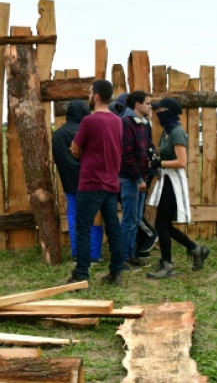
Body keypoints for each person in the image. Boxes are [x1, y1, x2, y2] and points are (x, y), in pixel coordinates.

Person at [144, 97, 210, 279]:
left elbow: (181, 161)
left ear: (170, 112)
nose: (158, 113)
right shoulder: (166, 132)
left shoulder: (177, 132)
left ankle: (168, 264)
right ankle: (196, 249)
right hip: (166, 180)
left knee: (161, 223)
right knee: (164, 224)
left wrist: (160, 163)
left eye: (161, 110)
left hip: (174, 182)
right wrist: (156, 160)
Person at [68, 79, 126, 286]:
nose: (89, 95)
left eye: (91, 91)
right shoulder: (117, 121)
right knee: (113, 228)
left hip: (91, 182)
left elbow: (75, 148)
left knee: (83, 228)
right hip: (111, 182)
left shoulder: (89, 121)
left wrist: (80, 152)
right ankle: (116, 272)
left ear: (97, 96)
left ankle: (81, 274)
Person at [51, 100, 103, 262]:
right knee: (93, 216)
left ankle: (77, 252)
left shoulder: (58, 134)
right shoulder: (86, 131)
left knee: (74, 216)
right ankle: (93, 253)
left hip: (69, 183)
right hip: (90, 181)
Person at [119, 91, 155, 268]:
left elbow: (148, 147)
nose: (150, 106)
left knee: (136, 219)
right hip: (130, 179)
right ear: (137, 105)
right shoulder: (125, 123)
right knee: (128, 219)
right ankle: (123, 257)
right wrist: (138, 178)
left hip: (141, 178)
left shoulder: (144, 124)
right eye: (147, 103)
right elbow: (126, 155)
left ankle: (132, 255)